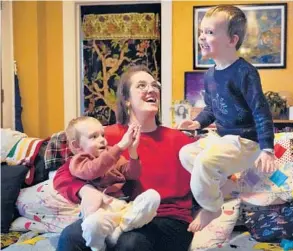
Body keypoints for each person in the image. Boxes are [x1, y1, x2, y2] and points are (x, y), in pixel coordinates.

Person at [54, 65, 195, 251]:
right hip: (119, 213)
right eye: (142, 85)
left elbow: (214, 174)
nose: (151, 89)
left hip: (169, 219)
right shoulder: (105, 138)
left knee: (131, 242)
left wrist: (209, 210)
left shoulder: (180, 140)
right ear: (127, 100)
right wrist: (84, 190)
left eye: (154, 85)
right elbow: (64, 174)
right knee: (71, 236)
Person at [178, 5, 277, 232]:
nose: (202, 37)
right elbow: (212, 109)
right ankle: (227, 185)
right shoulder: (210, 75)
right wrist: (197, 123)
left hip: (245, 142)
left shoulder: (245, 73)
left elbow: (261, 111)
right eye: (201, 32)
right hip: (222, 138)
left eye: (210, 32)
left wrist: (267, 149)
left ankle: (212, 207)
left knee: (205, 162)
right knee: (186, 154)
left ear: (232, 40)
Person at [65, 116, 160, 251]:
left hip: (122, 208)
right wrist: (120, 146)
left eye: (102, 135)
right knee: (92, 224)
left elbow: (133, 174)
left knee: (152, 196)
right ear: (76, 145)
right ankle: (98, 247)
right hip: (100, 212)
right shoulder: (78, 162)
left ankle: (123, 227)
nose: (102, 139)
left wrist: (133, 152)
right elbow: (93, 170)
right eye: (94, 137)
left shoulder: (112, 155)